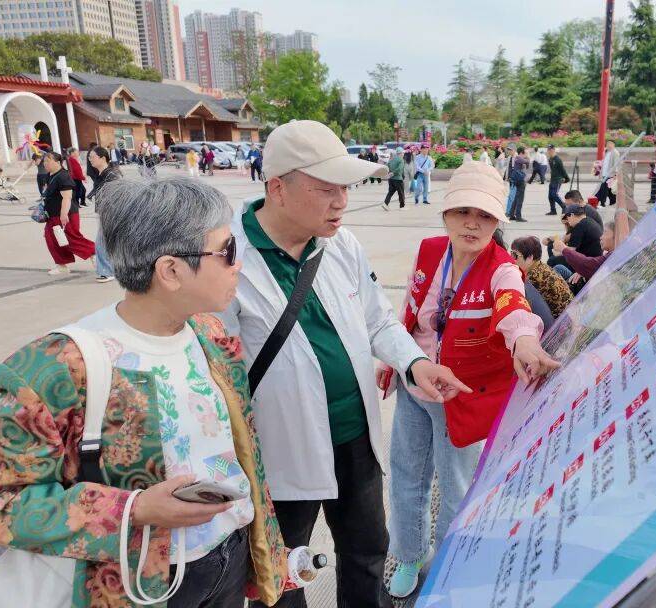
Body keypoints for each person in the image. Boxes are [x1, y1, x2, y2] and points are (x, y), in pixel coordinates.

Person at [0, 177, 298, 608]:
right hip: (136, 583)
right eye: (227, 251)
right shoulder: (59, 367)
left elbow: (241, 451)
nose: (239, 265)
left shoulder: (209, 333)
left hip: (229, 556)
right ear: (171, 271)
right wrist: (134, 509)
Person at [221, 120, 468, 608]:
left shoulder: (341, 244)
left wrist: (415, 363)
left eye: (345, 188)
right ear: (278, 188)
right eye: (326, 189)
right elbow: (219, 370)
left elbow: (378, 320)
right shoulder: (228, 257)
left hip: (354, 436)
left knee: (367, 549)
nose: (341, 202)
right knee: (282, 569)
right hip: (281, 448)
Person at [385, 162, 560, 598]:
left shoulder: (502, 268)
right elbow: (411, 308)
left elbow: (514, 307)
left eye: (484, 215)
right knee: (406, 476)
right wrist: (395, 359)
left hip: (461, 396)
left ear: (497, 221)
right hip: (415, 385)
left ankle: (449, 564)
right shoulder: (429, 250)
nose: (472, 223)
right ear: (445, 213)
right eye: (462, 211)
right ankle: (409, 555)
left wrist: (524, 341)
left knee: (457, 487)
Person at [41, 151, 95, 275]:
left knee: (71, 239)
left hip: (65, 214)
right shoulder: (49, 175)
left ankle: (95, 253)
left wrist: (63, 214)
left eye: (48, 161)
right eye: (44, 161)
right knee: (52, 239)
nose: (45, 163)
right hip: (52, 215)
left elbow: (67, 197)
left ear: (58, 162)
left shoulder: (63, 176)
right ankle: (62, 265)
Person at [510, 235, 572, 318]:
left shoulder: (533, 279)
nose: (511, 258)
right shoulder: (541, 267)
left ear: (530, 257)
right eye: (511, 253)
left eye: (515, 255)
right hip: (570, 316)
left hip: (559, 323)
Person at [87, 145, 123, 283]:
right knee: (109, 242)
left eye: (92, 157)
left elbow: (117, 195)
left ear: (102, 158)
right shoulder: (102, 174)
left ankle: (107, 271)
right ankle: (114, 269)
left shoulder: (111, 174)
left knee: (101, 243)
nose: (90, 159)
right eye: (89, 157)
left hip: (111, 212)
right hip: (105, 211)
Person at [552, 219, 616, 288]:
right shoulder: (612, 253)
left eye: (605, 233)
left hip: (585, 289)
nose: (601, 237)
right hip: (582, 278)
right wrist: (582, 272)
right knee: (559, 268)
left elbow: (587, 264)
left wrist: (563, 249)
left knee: (554, 264)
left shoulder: (614, 256)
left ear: (616, 236)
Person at [546, 145, 569, 216]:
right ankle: (553, 210)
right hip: (552, 179)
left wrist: (566, 178)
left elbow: (562, 169)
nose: (549, 151)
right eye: (548, 150)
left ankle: (564, 206)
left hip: (558, 179)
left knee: (554, 194)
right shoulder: (550, 159)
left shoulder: (558, 159)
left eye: (550, 150)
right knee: (550, 196)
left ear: (553, 150)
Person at [508, 146, 529, 222]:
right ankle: (518, 216)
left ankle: (511, 215)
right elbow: (527, 162)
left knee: (516, 198)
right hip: (520, 181)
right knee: (520, 199)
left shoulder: (517, 158)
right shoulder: (519, 158)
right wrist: (527, 156)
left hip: (517, 180)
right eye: (525, 152)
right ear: (522, 152)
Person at [597, 139, 619, 207]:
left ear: (613, 145)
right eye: (607, 144)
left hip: (610, 175)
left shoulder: (615, 152)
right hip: (605, 174)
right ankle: (613, 201)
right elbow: (604, 163)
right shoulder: (606, 152)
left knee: (603, 189)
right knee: (608, 189)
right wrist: (601, 173)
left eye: (610, 144)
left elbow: (616, 164)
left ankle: (602, 202)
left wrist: (615, 174)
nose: (608, 145)